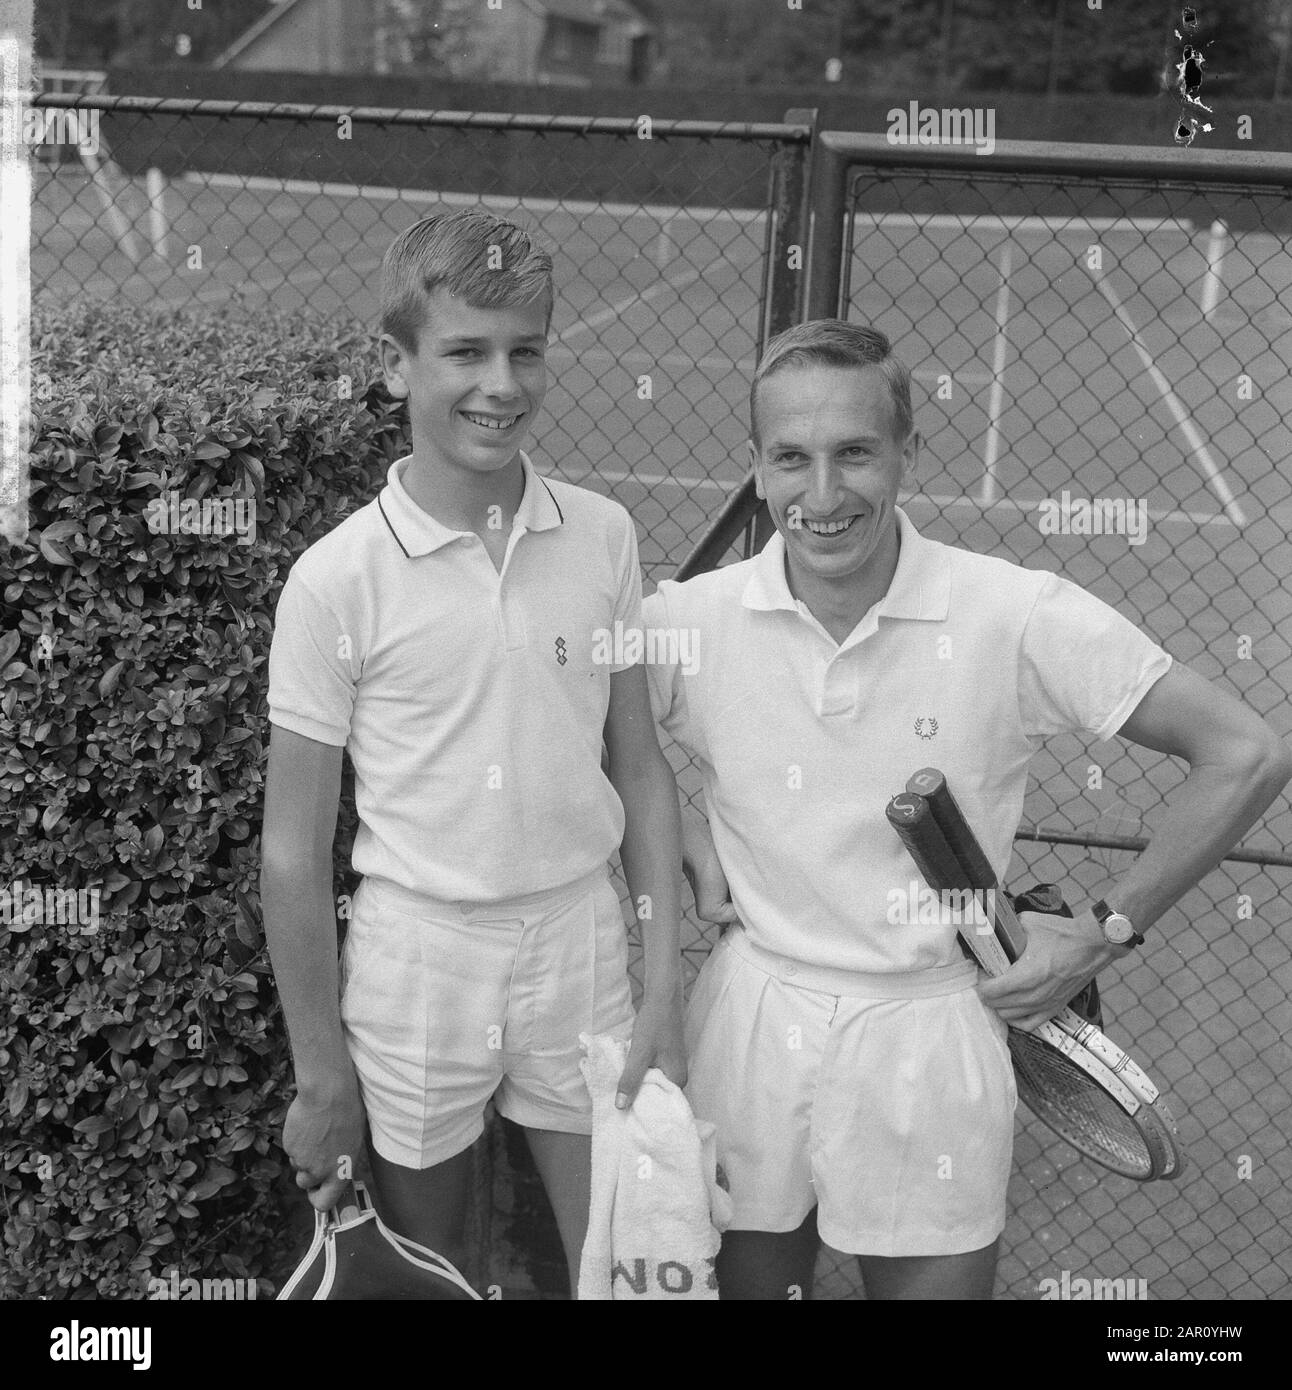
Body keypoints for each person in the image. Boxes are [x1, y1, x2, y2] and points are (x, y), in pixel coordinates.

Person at [642, 318, 1291, 1300]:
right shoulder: (687, 622)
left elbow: (1244, 752)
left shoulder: (1010, 612)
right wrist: (678, 831)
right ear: (757, 465)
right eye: (791, 458)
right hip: (750, 1025)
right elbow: (562, 729)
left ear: (908, 451)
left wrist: (1104, 929)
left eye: (855, 453)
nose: (821, 496)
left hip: (936, 1034)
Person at [261, 210, 686, 1295]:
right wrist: (321, 1078)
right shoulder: (334, 578)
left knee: (621, 1261)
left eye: (525, 349)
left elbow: (637, 764)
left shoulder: (603, 534)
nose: (502, 383)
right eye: (465, 351)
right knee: (426, 1271)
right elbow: (291, 854)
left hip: (580, 938)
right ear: (395, 366)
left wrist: (660, 981)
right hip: (416, 958)